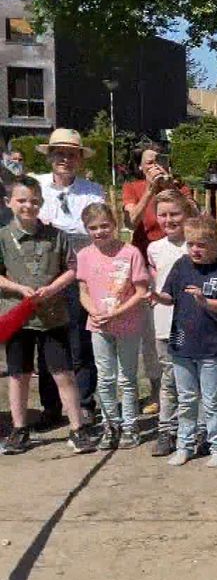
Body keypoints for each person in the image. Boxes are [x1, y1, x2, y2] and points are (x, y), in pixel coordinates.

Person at [0, 176, 96, 454]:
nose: (28, 206)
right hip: (17, 315)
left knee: (62, 373)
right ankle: (20, 430)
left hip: (52, 316)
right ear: (9, 203)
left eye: (34, 201)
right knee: (19, 374)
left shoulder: (56, 236)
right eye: (21, 200)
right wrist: (17, 288)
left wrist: (53, 288)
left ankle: (77, 428)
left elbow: (71, 268)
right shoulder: (4, 237)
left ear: (41, 203)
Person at [147, 191, 217, 457]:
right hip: (180, 340)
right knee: (186, 397)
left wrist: (205, 302)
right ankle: (184, 445)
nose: (195, 249)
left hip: (211, 343)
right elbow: (169, 295)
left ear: (215, 245)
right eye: (191, 245)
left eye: (201, 245)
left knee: (212, 400)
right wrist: (156, 296)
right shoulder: (181, 263)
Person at [34, 129, 102, 427]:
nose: (65, 159)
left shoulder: (92, 191)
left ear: (79, 159)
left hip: (78, 274)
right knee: (46, 340)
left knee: (80, 340)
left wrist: (55, 227)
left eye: (71, 154)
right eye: (59, 153)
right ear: (50, 156)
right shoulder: (36, 185)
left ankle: (85, 402)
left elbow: (90, 228)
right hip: (44, 274)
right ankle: (51, 407)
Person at [76, 203, 149, 451]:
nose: (99, 232)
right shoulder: (85, 255)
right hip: (98, 325)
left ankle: (130, 425)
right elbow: (83, 292)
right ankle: (111, 424)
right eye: (93, 228)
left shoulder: (131, 253)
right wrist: (93, 311)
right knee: (105, 378)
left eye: (104, 226)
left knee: (126, 378)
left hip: (127, 322)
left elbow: (141, 291)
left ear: (114, 224)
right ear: (86, 230)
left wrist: (116, 312)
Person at [121, 146, 186, 414]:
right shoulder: (133, 188)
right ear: (140, 168)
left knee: (180, 325)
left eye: (159, 160)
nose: (156, 165)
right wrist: (150, 189)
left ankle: (183, 385)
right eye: (149, 163)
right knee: (152, 333)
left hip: (178, 262)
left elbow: (194, 217)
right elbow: (130, 222)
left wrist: (169, 188)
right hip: (147, 266)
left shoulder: (177, 187)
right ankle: (158, 390)